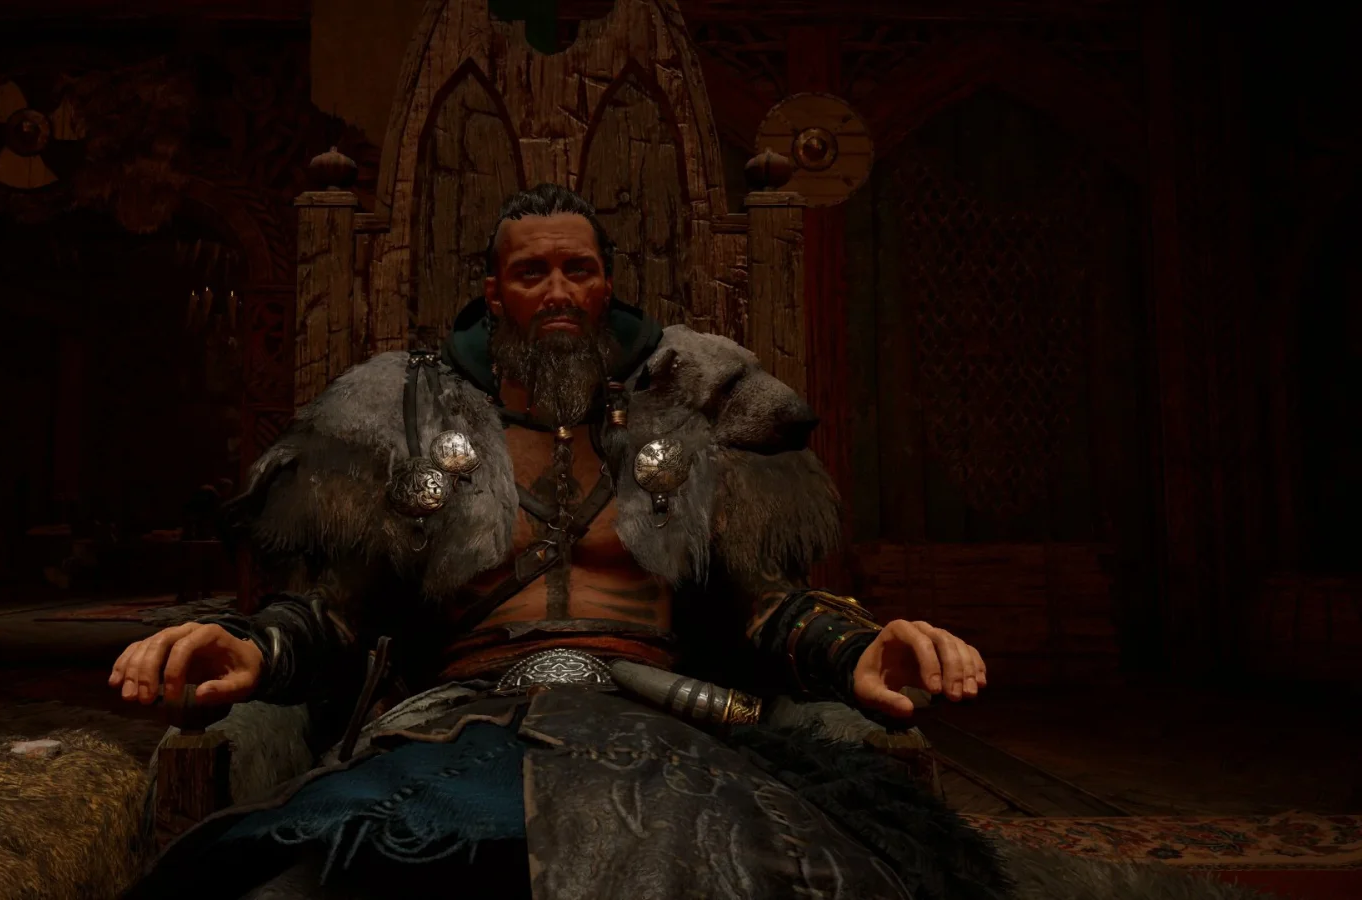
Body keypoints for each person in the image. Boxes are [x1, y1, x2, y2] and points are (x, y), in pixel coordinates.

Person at [113, 184, 1000, 900]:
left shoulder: (686, 416)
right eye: (531, 272)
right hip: (458, 717)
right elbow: (335, 613)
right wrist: (254, 648)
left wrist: (858, 649)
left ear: (607, 285)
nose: (559, 292)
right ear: (494, 291)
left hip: (660, 717)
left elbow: (766, 607)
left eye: (580, 269)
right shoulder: (406, 419)